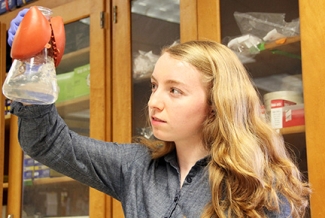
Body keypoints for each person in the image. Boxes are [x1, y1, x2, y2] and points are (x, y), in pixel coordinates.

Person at [8, 9, 310, 218]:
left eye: (174, 90)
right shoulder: (136, 166)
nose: (154, 102)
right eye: (154, 86)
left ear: (216, 104)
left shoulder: (260, 186)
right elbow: (47, 142)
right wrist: (35, 64)